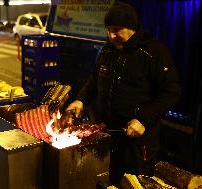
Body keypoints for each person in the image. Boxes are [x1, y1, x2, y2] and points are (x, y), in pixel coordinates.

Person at [66, 1, 180, 186]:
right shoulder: (107, 51)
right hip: (109, 134)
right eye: (109, 30)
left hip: (137, 140)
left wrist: (143, 119)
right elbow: (94, 81)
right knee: (110, 180)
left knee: (135, 183)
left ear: (132, 28)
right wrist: (80, 99)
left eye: (117, 29)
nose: (112, 35)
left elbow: (171, 92)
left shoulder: (153, 52)